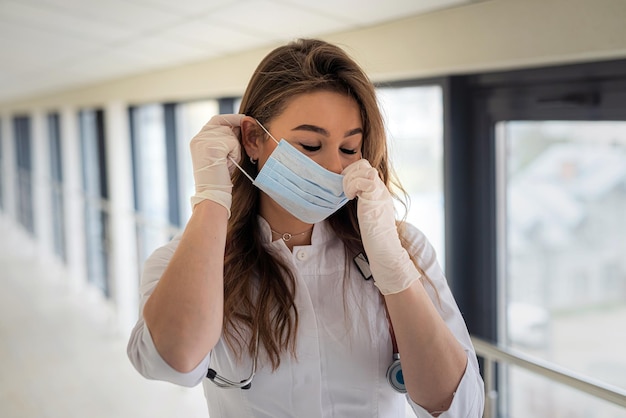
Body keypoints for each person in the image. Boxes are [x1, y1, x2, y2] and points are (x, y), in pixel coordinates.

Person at [127, 38, 484, 417]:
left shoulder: (404, 248)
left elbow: (458, 406)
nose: (334, 167)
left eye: (349, 149)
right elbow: (168, 361)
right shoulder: (188, 260)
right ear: (253, 139)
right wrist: (213, 199)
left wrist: (394, 271)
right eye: (310, 145)